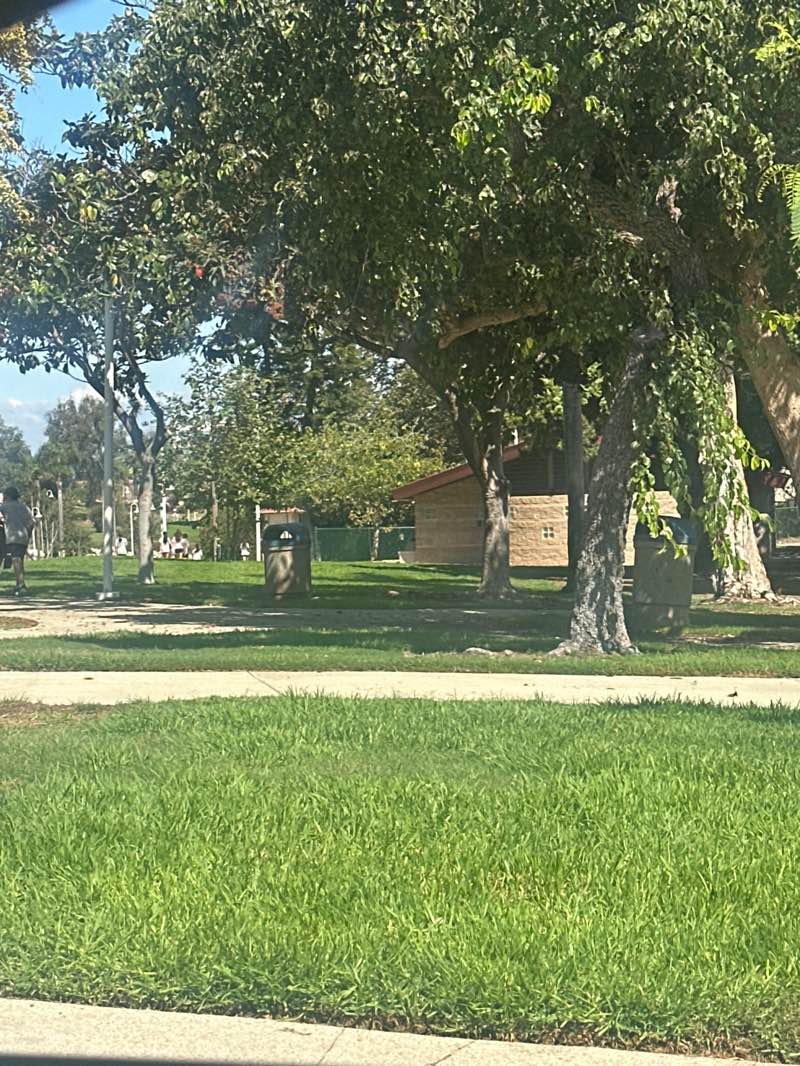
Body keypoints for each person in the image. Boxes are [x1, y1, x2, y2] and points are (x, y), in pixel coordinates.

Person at [0, 486, 34, 596]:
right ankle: (19, 584)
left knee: (16, 561)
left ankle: (21, 585)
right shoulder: (24, 507)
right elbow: (31, 523)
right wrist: (27, 535)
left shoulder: (4, 507)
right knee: (20, 561)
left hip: (12, 536)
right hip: (23, 536)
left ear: (7, 496)